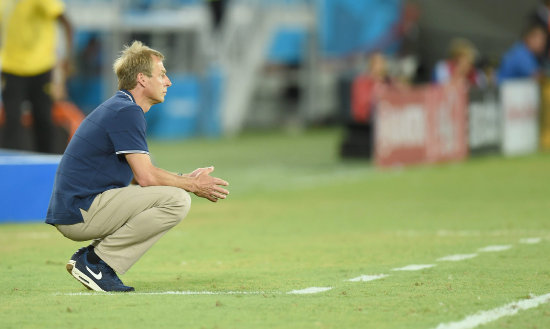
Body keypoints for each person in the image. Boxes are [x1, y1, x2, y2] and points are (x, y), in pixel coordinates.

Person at [45, 41, 230, 292]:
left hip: (78, 207)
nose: (169, 81)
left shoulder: (121, 107)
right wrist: (192, 184)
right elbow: (145, 177)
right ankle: (97, 263)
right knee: (177, 200)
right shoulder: (126, 111)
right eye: (162, 74)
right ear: (142, 79)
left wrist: (183, 177)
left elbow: (136, 176)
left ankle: (93, 258)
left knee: (171, 194)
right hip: (80, 210)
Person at [0, 0, 73, 153]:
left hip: (40, 67)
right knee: (11, 120)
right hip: (11, 68)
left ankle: (47, 164)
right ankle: (10, 167)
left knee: (43, 119)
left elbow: (66, 23)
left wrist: (67, 58)